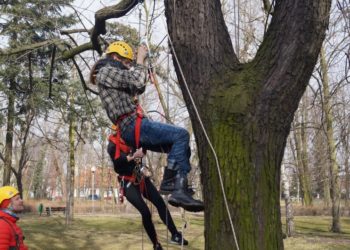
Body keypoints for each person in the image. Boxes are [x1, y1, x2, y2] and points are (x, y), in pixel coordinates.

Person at [91, 40, 204, 212]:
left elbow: (139, 85)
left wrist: (142, 67)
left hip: (133, 126)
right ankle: (170, 182)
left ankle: (178, 187)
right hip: (132, 125)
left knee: (181, 147)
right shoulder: (105, 72)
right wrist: (140, 60)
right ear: (115, 57)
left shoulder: (112, 75)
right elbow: (137, 80)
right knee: (181, 135)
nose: (128, 67)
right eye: (126, 63)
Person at [107, 134, 188, 250]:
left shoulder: (132, 138)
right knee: (145, 212)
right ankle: (156, 245)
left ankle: (175, 234)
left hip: (138, 175)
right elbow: (117, 164)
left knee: (160, 203)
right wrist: (134, 155)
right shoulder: (112, 145)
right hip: (127, 181)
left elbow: (145, 145)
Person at [0, 186, 28, 250]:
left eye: (20, 198)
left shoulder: (10, 222)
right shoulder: (2, 225)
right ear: (8, 204)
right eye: (17, 199)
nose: (21, 200)